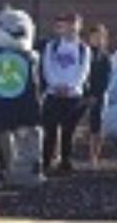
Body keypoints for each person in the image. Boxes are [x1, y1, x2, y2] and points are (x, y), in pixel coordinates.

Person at [41, 12, 91, 174]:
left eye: (74, 24)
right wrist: (56, 85)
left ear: (79, 26)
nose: (71, 28)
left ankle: (66, 160)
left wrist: (70, 87)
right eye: (68, 24)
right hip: (53, 94)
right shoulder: (52, 46)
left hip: (73, 95)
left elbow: (83, 72)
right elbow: (47, 67)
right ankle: (47, 160)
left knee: (69, 130)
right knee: (50, 129)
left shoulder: (83, 49)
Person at [84, 24, 111, 167]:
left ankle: (93, 156)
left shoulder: (105, 57)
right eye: (94, 37)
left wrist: (96, 94)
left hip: (98, 94)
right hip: (82, 93)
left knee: (97, 126)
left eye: (99, 37)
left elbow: (106, 79)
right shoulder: (84, 53)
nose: (96, 40)